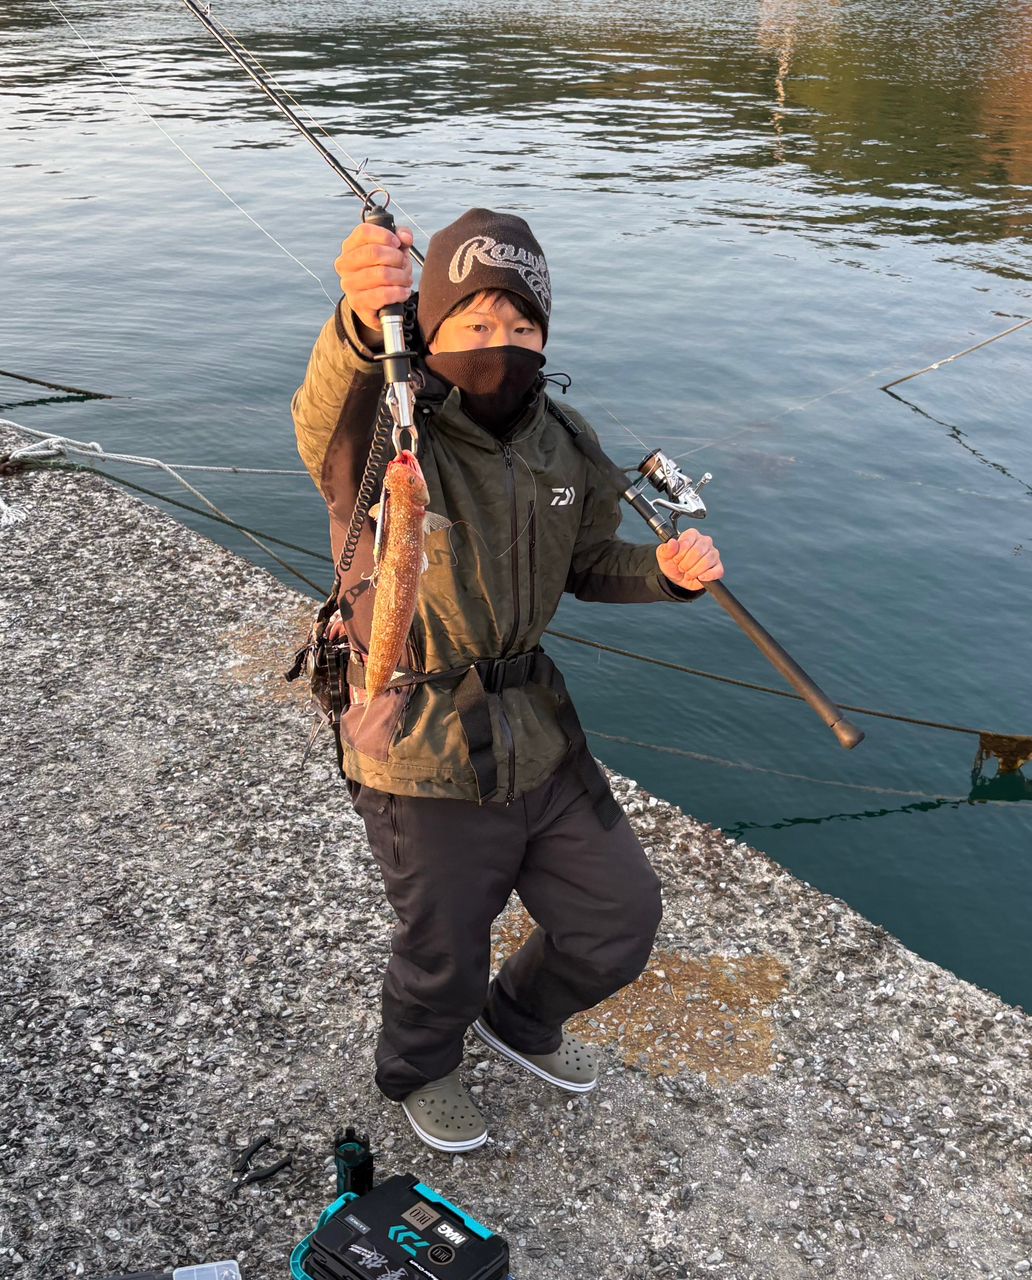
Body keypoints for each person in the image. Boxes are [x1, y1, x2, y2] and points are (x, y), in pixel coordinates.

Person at [292, 207, 724, 1152]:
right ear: (431, 328)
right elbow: (330, 422)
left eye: (523, 325)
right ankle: (419, 1068)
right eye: (475, 322)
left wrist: (664, 573)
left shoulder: (566, 439)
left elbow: (590, 561)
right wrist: (362, 322)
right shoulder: (392, 431)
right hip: (420, 743)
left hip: (539, 730)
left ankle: (519, 1021)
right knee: (442, 946)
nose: (502, 342)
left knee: (619, 918)